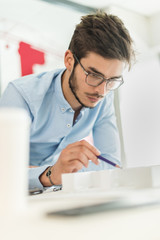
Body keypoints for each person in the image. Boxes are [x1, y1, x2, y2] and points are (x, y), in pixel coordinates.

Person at [0, 11, 135, 190]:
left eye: (112, 80)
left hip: (56, 193)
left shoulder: (104, 99)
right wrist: (50, 174)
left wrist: (61, 173)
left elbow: (111, 164)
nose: (101, 91)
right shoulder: (21, 95)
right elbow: (4, 171)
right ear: (69, 60)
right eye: (94, 75)